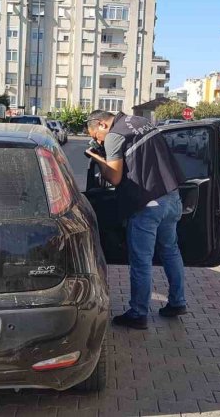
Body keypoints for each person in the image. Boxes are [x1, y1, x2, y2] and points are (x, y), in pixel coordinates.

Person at [84, 110, 188, 330]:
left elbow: (114, 176)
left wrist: (97, 157)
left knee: (141, 260)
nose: (96, 140)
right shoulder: (140, 121)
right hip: (172, 196)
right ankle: (178, 302)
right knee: (171, 250)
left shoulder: (114, 136)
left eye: (95, 135)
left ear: (102, 124)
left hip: (147, 204)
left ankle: (138, 313)